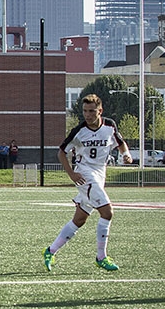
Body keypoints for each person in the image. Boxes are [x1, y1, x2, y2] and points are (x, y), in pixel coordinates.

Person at [43, 94, 132, 273]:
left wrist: (125, 155)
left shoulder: (109, 125)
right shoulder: (79, 130)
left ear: (100, 111)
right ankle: (101, 257)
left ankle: (50, 251)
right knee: (107, 212)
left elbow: (121, 143)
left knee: (80, 219)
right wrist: (72, 174)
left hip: (100, 174)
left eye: (91, 111)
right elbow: (61, 152)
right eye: (85, 111)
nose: (88, 115)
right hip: (85, 174)